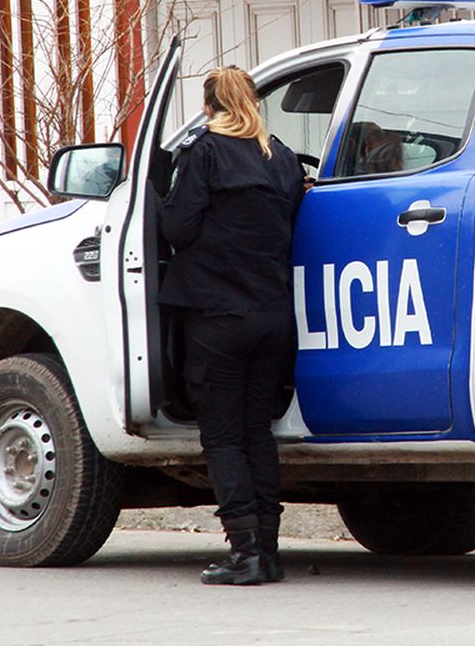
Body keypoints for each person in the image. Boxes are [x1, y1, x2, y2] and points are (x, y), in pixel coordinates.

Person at [159, 66, 307, 586]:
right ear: (254, 102)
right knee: (256, 436)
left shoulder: (203, 152)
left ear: (208, 108)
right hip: (272, 315)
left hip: (219, 318)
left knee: (222, 438)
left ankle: (244, 555)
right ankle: (268, 553)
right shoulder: (281, 157)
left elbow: (176, 226)